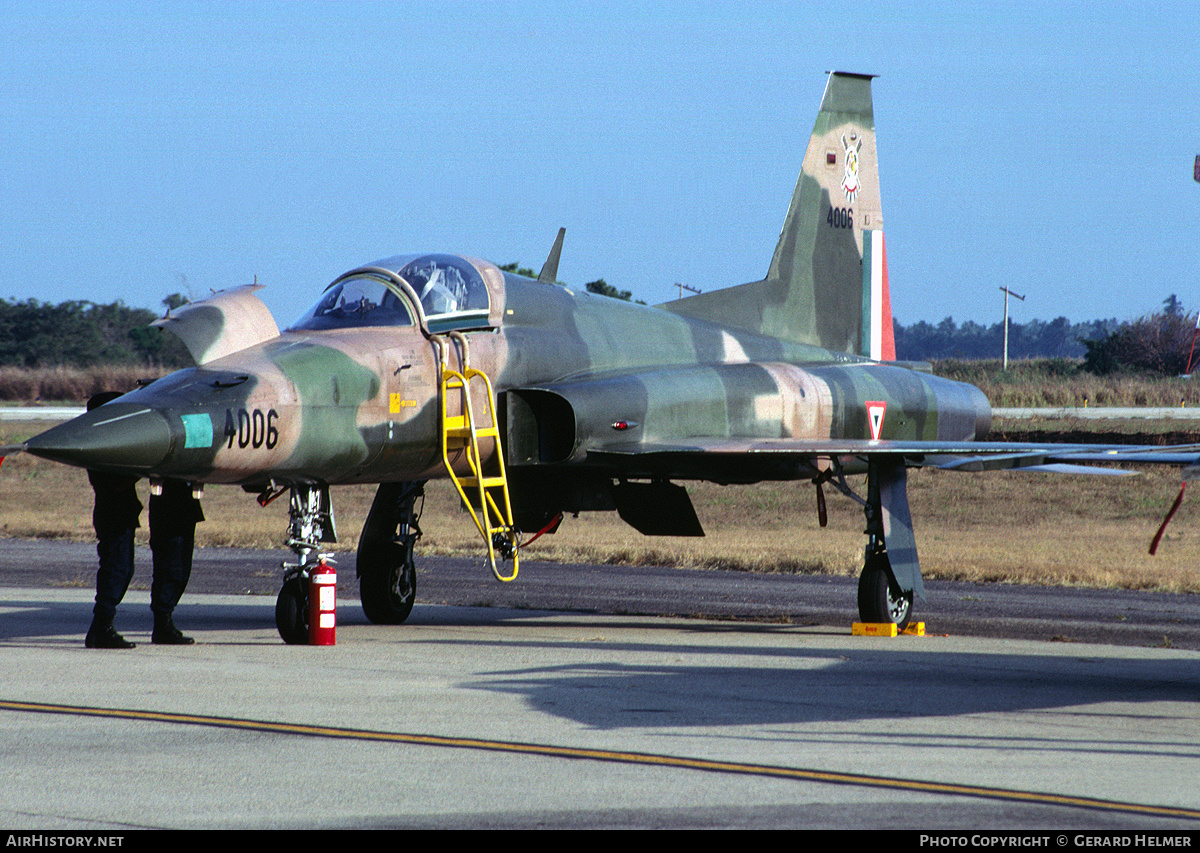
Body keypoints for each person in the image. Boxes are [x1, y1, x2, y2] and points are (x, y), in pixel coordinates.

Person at [84, 392, 142, 649]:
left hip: (116, 514)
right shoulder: (102, 447)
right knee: (116, 569)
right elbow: (117, 483)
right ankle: (101, 628)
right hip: (114, 515)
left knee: (121, 569)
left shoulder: (99, 442)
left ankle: (102, 626)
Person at [147, 478, 203, 644]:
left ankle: (164, 622)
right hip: (170, 507)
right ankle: (162, 624)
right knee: (171, 568)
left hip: (182, 505)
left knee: (181, 569)